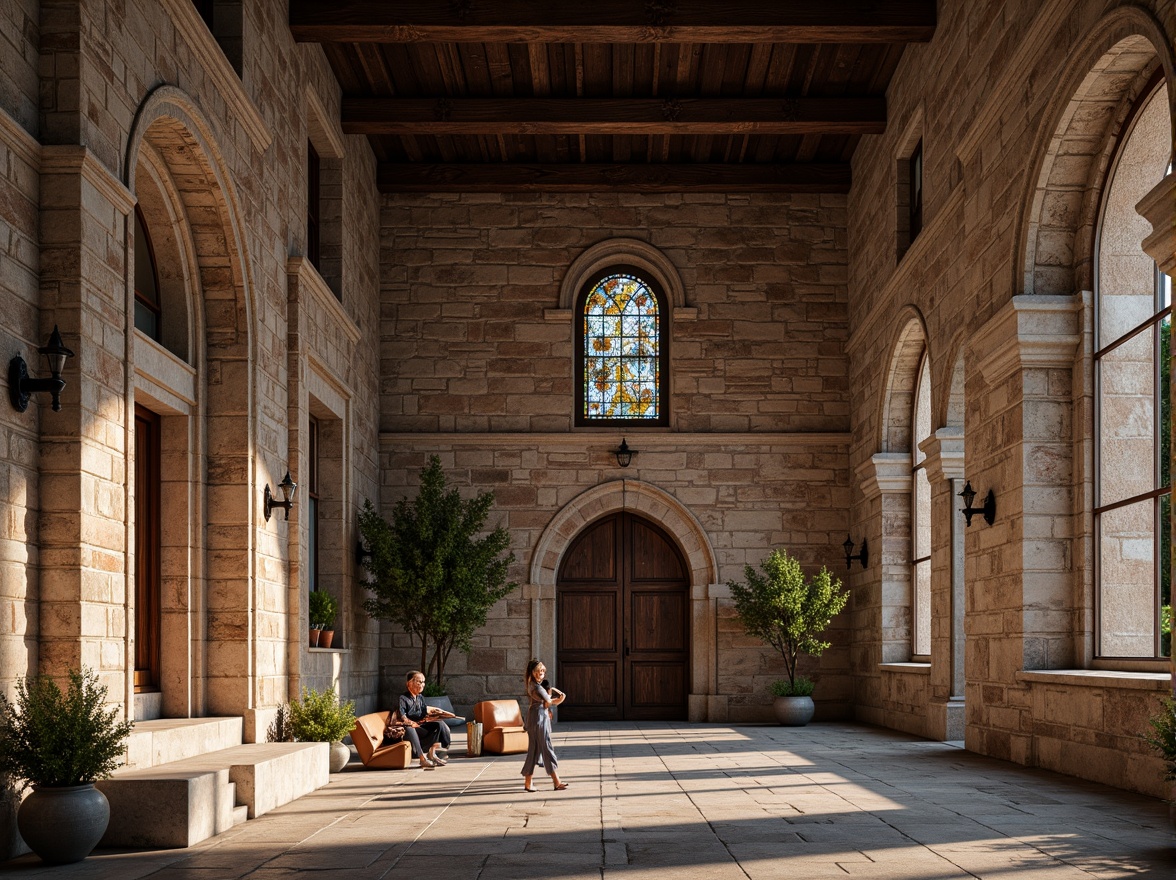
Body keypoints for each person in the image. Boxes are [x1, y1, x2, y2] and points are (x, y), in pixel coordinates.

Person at [521, 659, 568, 792]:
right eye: (538, 671)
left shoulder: (533, 685)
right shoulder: (536, 687)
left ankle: (528, 782)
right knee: (546, 747)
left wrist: (552, 693)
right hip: (539, 718)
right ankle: (556, 782)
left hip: (537, 717)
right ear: (532, 672)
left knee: (534, 750)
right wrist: (561, 698)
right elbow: (548, 702)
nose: (540, 673)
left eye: (542, 671)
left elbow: (546, 702)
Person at [398, 670, 454, 769]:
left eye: (423, 682)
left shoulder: (420, 697)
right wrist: (412, 723)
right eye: (419, 682)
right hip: (409, 729)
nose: (422, 685)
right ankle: (422, 759)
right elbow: (402, 716)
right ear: (409, 683)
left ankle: (432, 753)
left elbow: (424, 713)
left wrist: (437, 714)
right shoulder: (403, 698)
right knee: (409, 727)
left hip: (420, 725)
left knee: (439, 724)